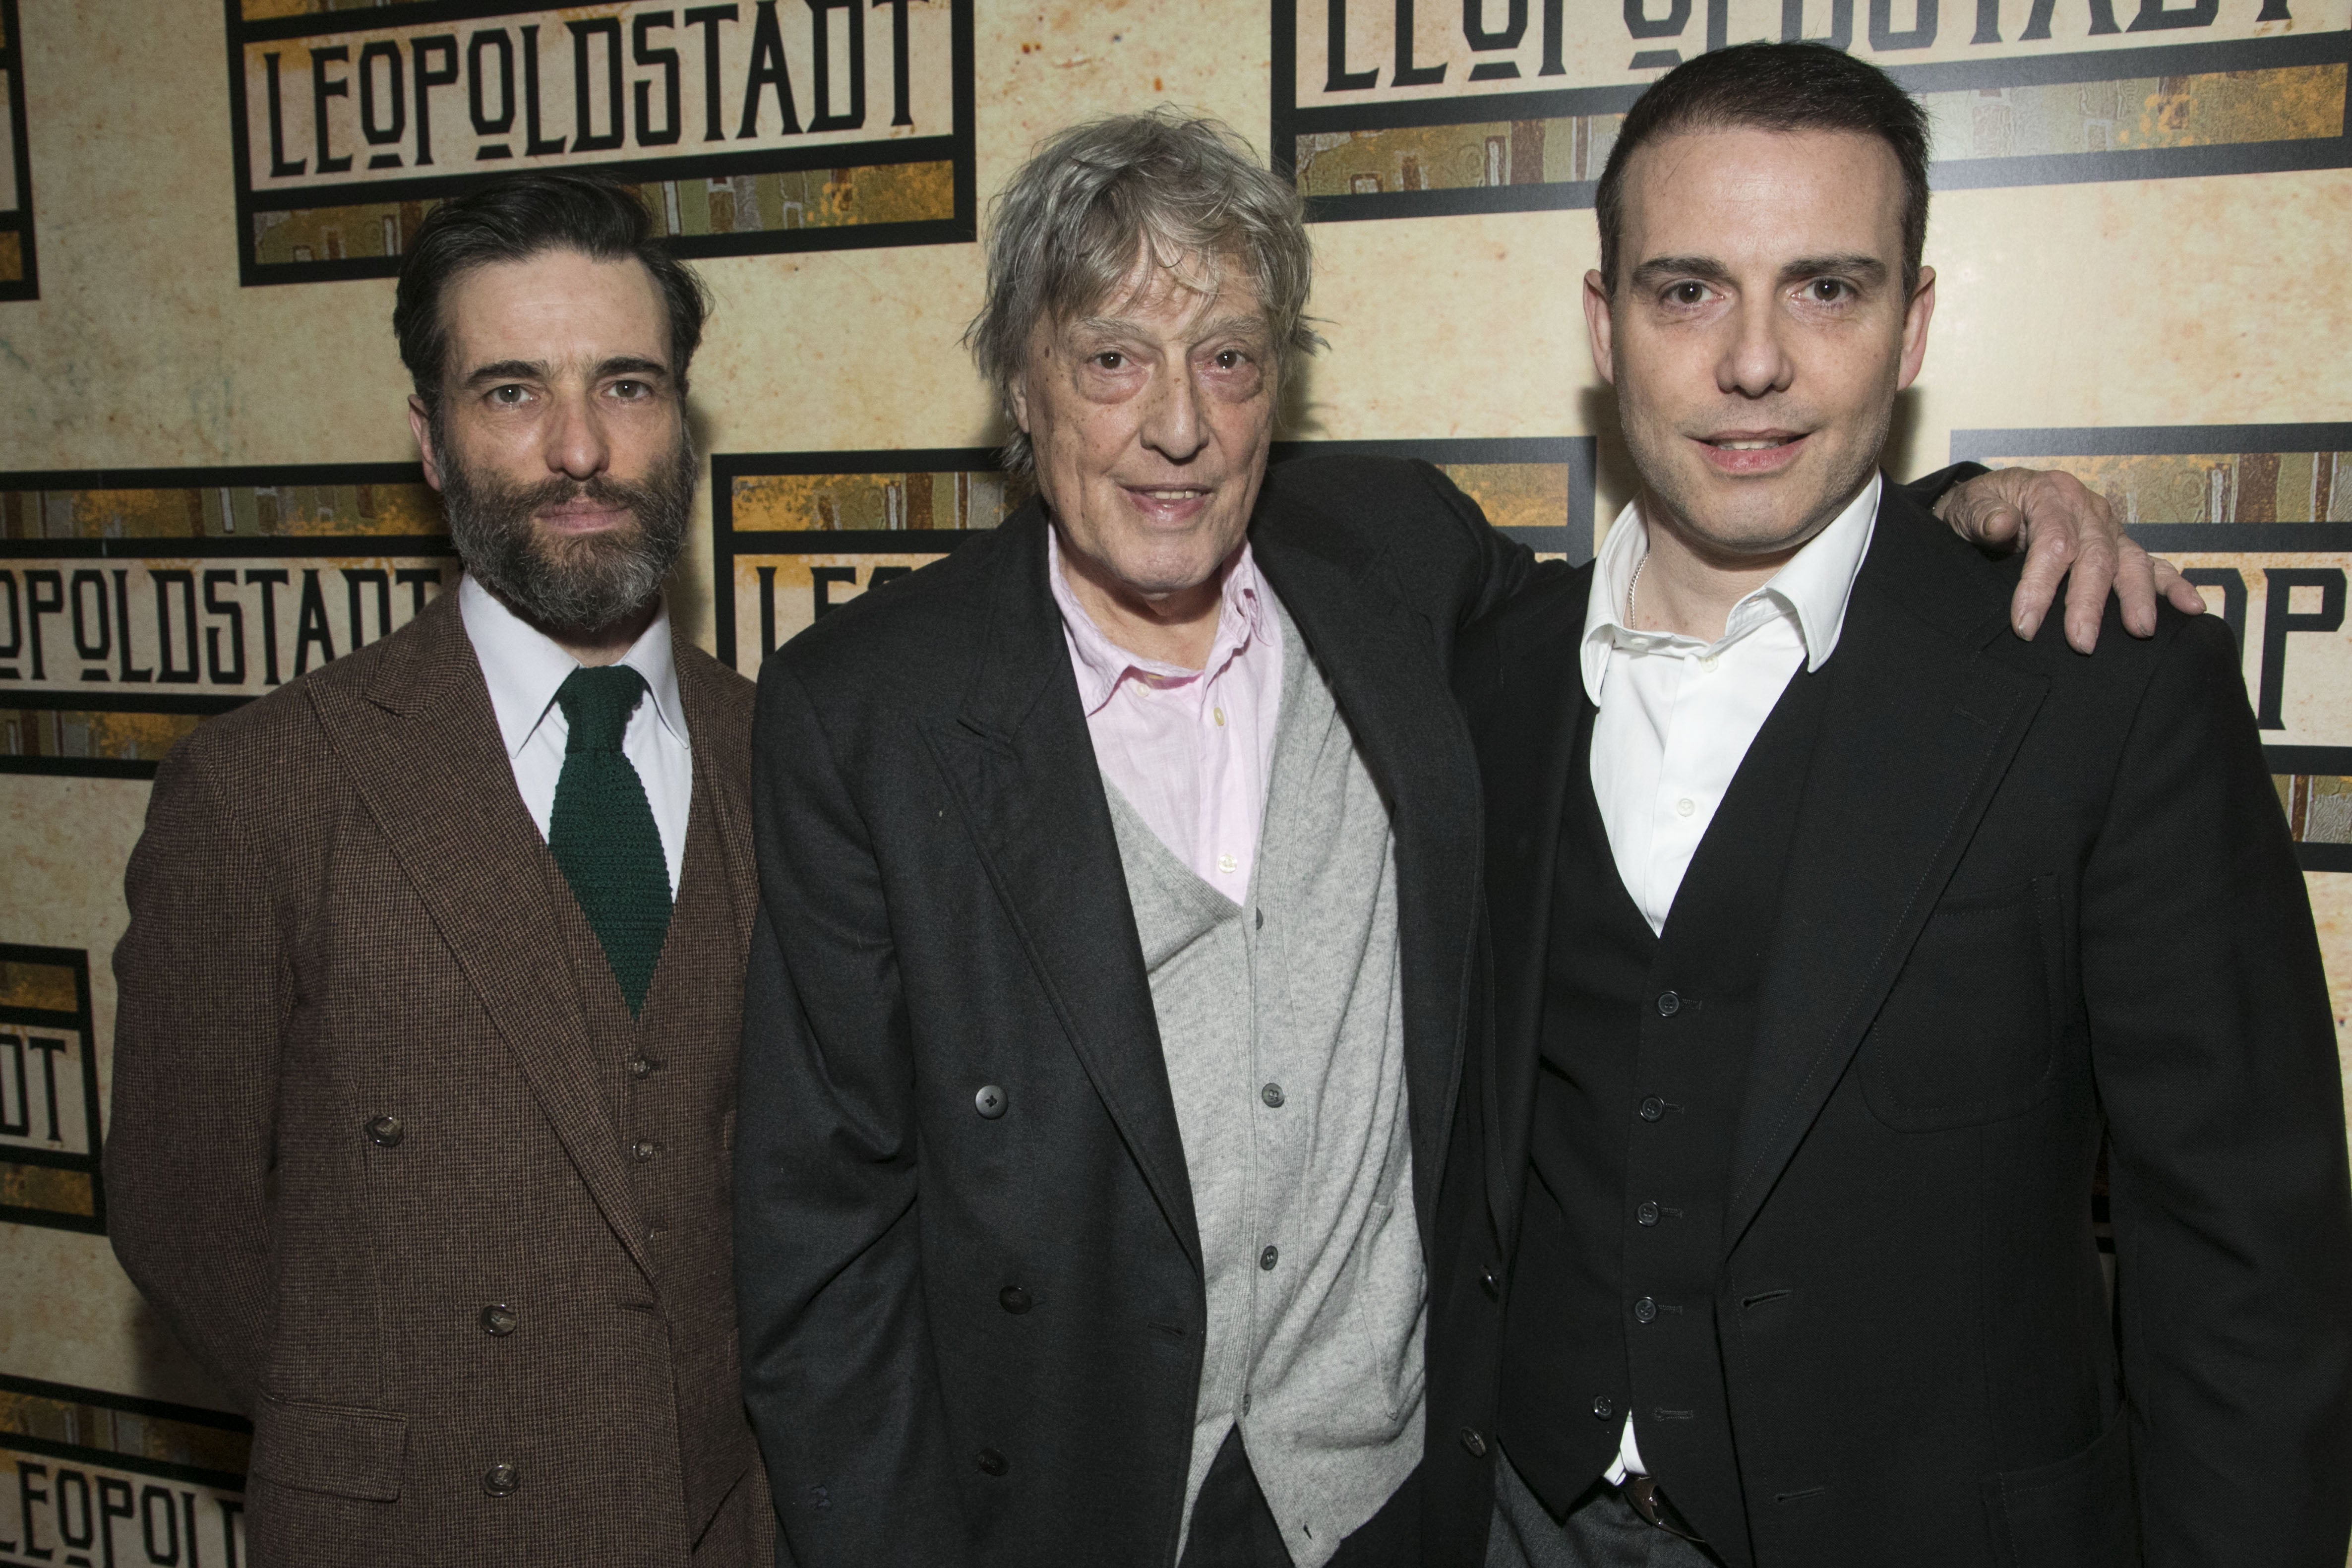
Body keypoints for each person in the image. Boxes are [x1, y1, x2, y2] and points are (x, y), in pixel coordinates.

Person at [730, 110, 2190, 1568]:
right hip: (1070, 1502)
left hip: (1390, 1502)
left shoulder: (1392, 559)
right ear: (1022, 387)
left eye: (1229, 357)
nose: (1178, 422)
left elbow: (1699, 570)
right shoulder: (869, 709)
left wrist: (1957, 517)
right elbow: (824, 1241)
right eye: (1114, 357)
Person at [1428, 43, 2352, 1568]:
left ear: (1914, 322)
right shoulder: (1480, 677)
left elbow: (2246, 1265)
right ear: (1604, 322)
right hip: (1520, 1524)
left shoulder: (2104, 687)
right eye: (1687, 290)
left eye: (1829, 288)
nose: (1755, 362)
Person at [105, 174, 773, 1566]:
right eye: (513, 392)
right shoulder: (262, 791)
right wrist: (403, 1435)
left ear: (684, 423)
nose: (580, 447)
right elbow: (185, 1217)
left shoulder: (793, 761)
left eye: (629, 386)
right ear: (429, 435)